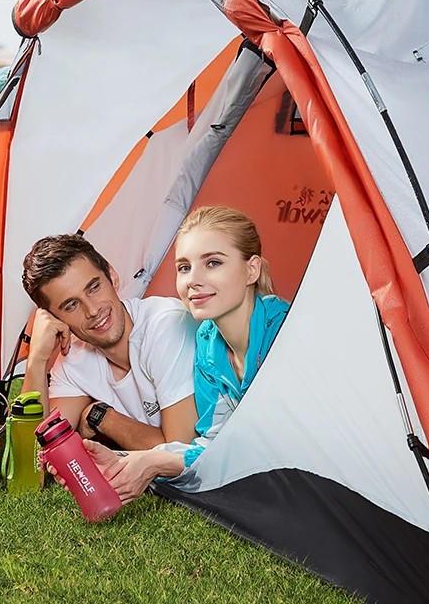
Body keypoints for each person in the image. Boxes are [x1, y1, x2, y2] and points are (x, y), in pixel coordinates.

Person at [61, 206, 289, 503]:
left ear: (251, 269)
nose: (193, 280)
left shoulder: (282, 332)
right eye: (184, 267)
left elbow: (279, 446)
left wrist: (153, 462)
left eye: (213, 263)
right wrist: (134, 461)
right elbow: (212, 444)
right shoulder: (208, 345)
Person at [21, 234, 198, 450]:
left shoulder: (166, 324)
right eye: (71, 305)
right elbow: (34, 459)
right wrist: (37, 360)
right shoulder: (73, 360)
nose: (93, 310)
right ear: (56, 319)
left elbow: (182, 454)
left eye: (94, 288)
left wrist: (102, 417)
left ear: (112, 276)